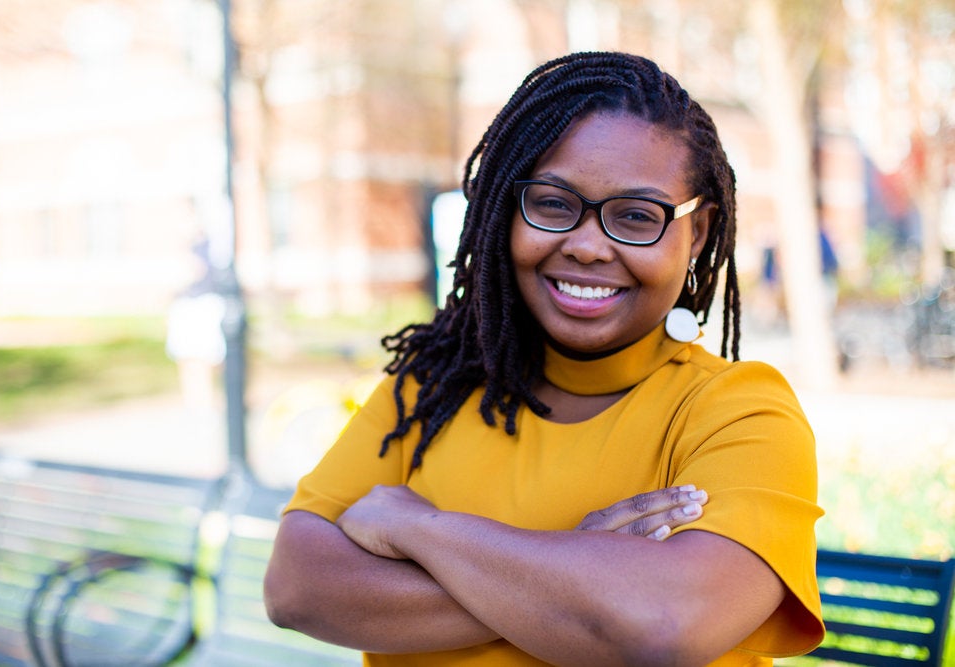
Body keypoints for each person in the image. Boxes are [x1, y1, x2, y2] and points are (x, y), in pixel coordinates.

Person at [264, 51, 824, 666]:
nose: (587, 247)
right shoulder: (430, 385)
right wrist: (579, 579)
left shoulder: (737, 412)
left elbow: (666, 622)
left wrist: (417, 530)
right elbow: (295, 586)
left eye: (636, 217)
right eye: (554, 204)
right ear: (506, 208)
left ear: (696, 232)